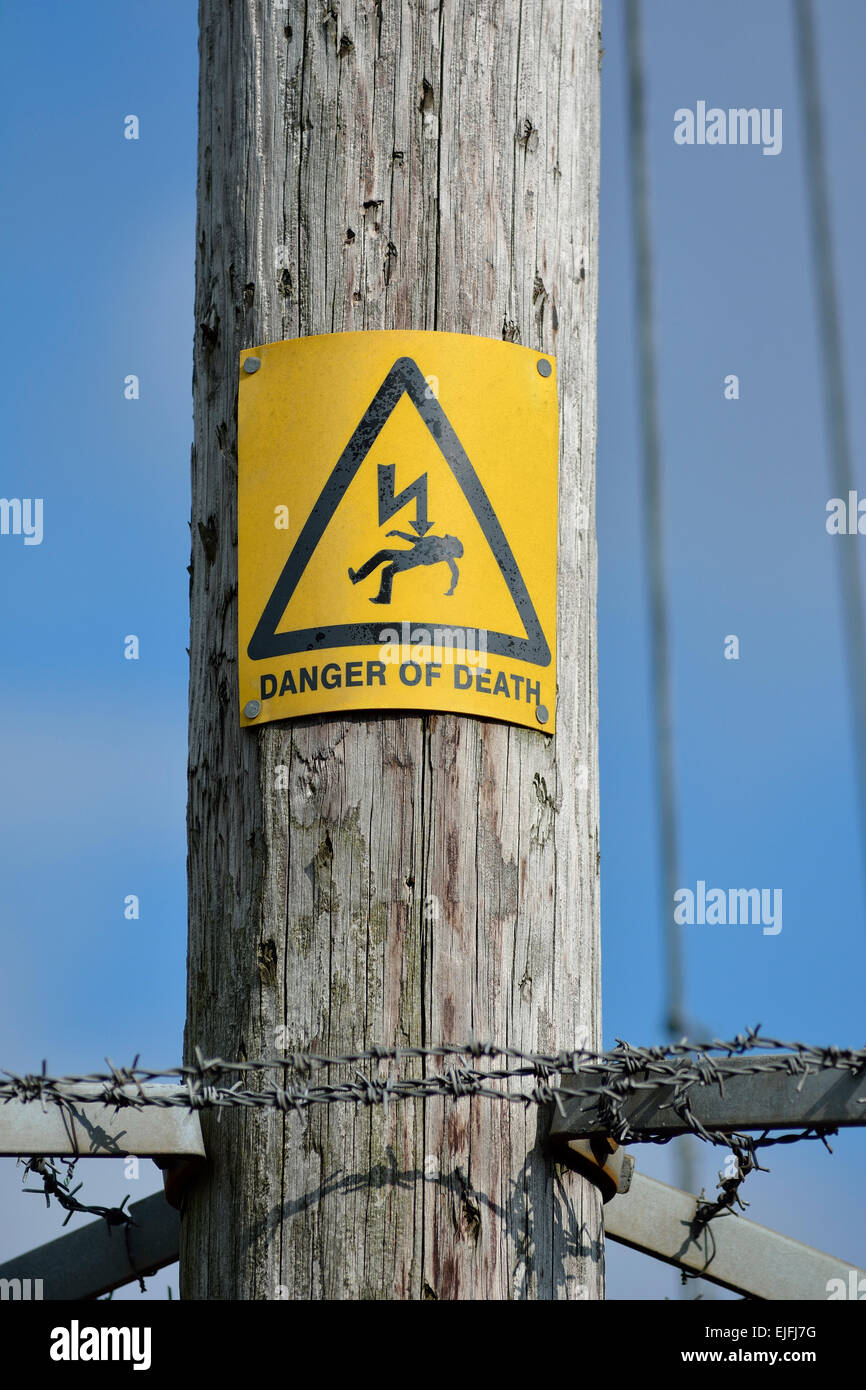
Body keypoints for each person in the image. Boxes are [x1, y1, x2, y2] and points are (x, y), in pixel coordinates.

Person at [348, 530, 464, 604]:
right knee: (384, 558)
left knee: (387, 569)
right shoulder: (434, 539)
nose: (449, 536)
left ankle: (382, 597)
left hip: (411, 560)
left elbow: (455, 571)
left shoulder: (444, 555)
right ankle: (359, 579)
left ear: (451, 547)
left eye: (452, 539)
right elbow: (416, 540)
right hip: (408, 555)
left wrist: (452, 588)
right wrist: (398, 533)